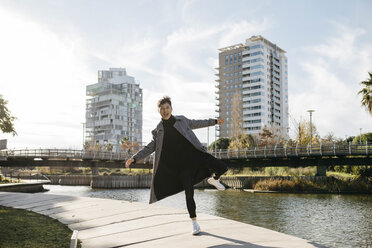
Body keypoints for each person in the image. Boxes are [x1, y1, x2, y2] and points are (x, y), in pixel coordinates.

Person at [125, 96, 228, 235]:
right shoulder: (158, 130)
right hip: (181, 166)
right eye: (162, 109)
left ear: (171, 109)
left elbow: (197, 123)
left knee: (222, 167)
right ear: (159, 111)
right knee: (189, 193)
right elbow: (150, 148)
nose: (165, 111)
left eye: (167, 108)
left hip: (196, 155)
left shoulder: (182, 120)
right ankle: (194, 222)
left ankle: (214, 179)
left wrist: (214, 122)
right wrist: (134, 158)